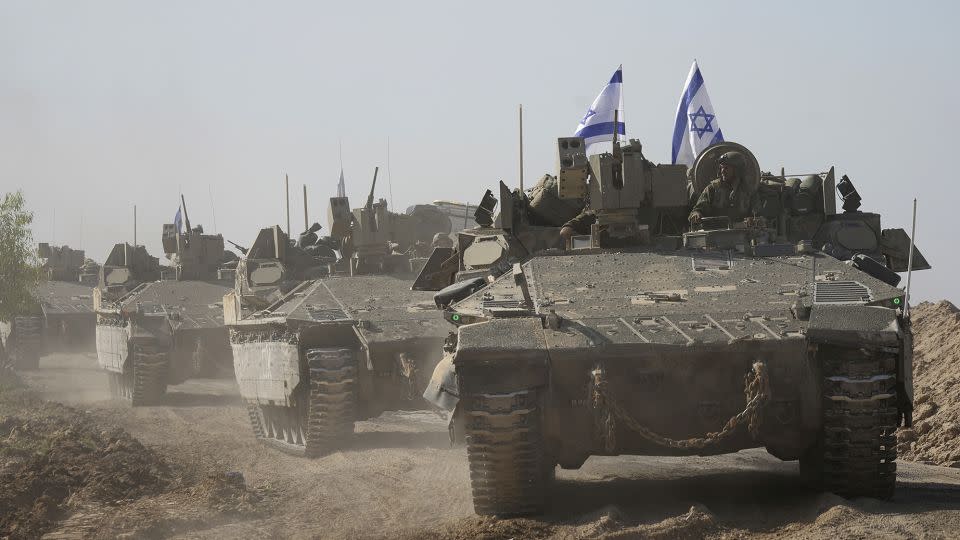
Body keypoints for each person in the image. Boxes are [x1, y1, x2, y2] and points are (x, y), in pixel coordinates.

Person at [688, 151, 760, 228]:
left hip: (742, 235)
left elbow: (758, 215)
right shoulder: (712, 189)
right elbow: (698, 210)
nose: (722, 171)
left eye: (726, 168)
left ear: (737, 170)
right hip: (715, 235)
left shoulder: (748, 192)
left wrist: (754, 220)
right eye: (721, 168)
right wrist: (696, 214)